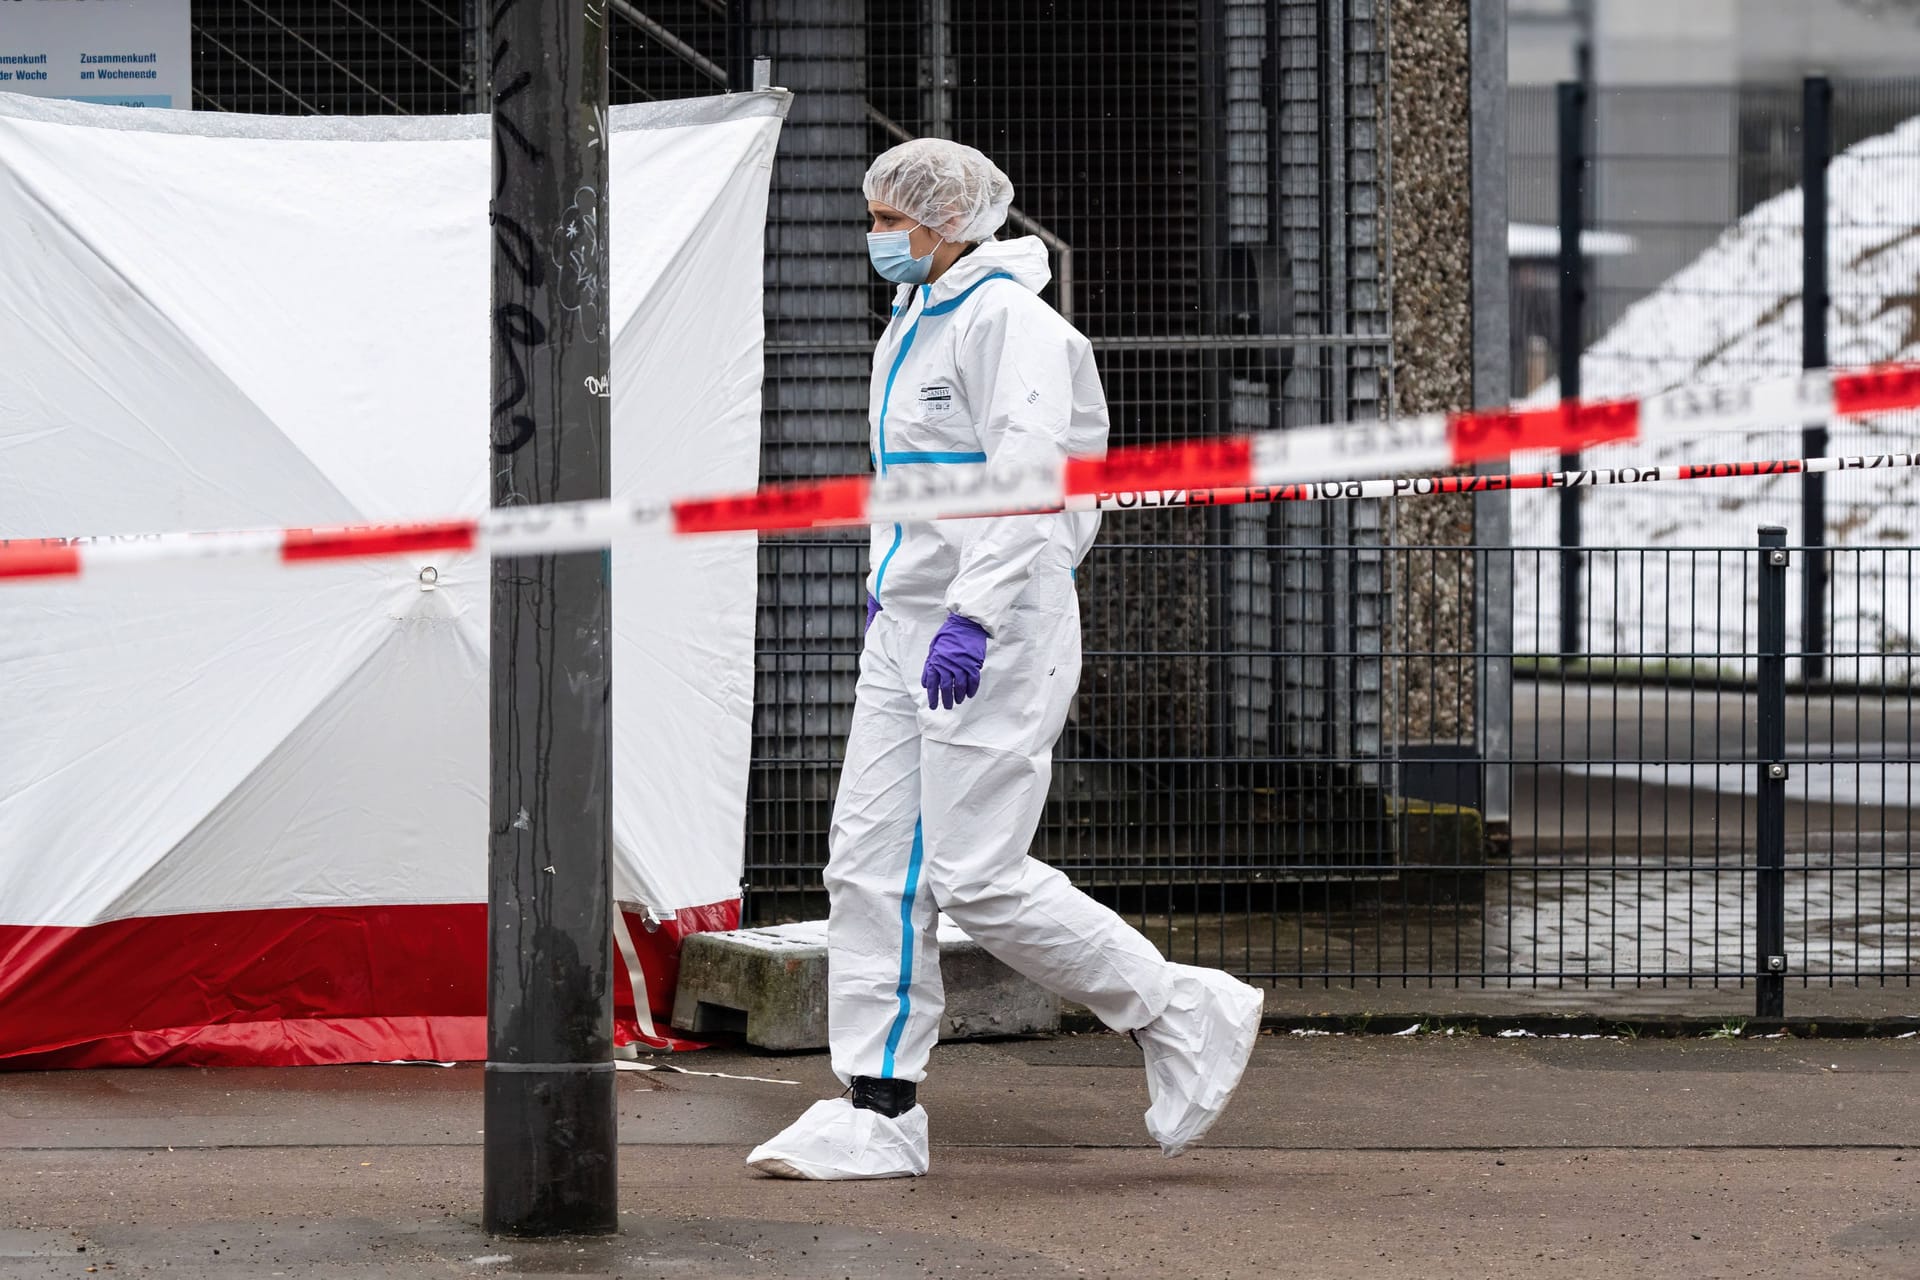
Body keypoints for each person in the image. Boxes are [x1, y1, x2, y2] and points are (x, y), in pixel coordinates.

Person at [746, 138, 1263, 1181]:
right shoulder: (915, 319)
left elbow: (1031, 480)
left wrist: (972, 614)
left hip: (994, 629)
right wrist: (899, 599)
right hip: (910, 628)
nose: (877, 233)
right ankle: (879, 1106)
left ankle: (1176, 1005)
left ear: (948, 220)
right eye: (877, 215)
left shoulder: (1009, 325)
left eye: (892, 217)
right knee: (868, 864)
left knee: (975, 876)